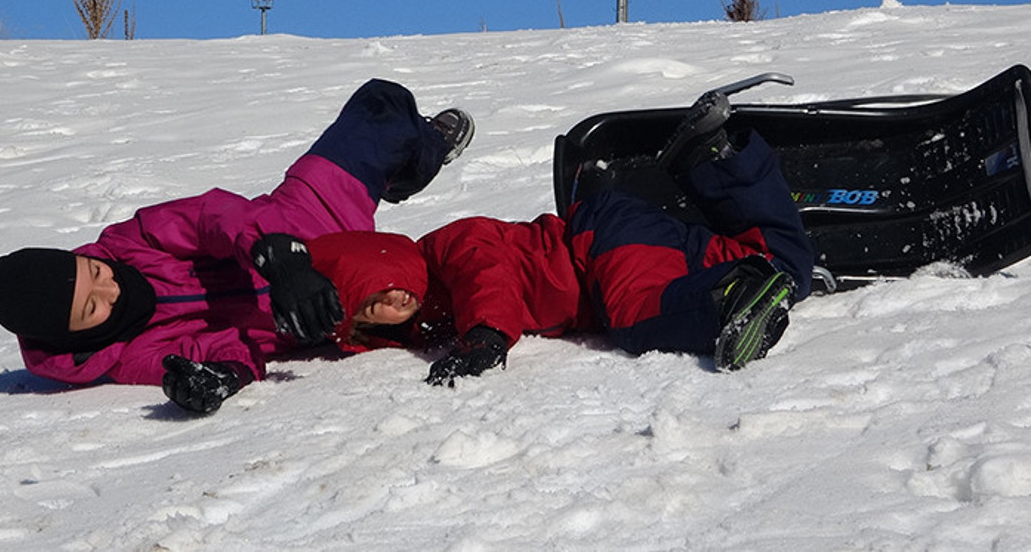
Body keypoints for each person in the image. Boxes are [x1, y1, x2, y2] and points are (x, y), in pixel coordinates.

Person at [0, 78, 475, 414]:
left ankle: (418, 154)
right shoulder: (122, 354)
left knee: (382, 103)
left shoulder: (129, 242)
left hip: (299, 218)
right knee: (429, 293)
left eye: (94, 273)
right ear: (75, 337)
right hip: (324, 296)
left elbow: (215, 215)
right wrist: (220, 378)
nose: (109, 289)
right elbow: (221, 349)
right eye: (92, 308)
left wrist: (278, 257)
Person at [304, 89, 815, 389]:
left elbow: (489, 279)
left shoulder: (450, 247)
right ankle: (719, 156)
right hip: (623, 242)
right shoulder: (423, 311)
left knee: (637, 316)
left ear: (389, 256)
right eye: (374, 311)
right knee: (784, 269)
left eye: (383, 286)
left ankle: (727, 300)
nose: (393, 301)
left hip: (599, 246)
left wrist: (484, 337)